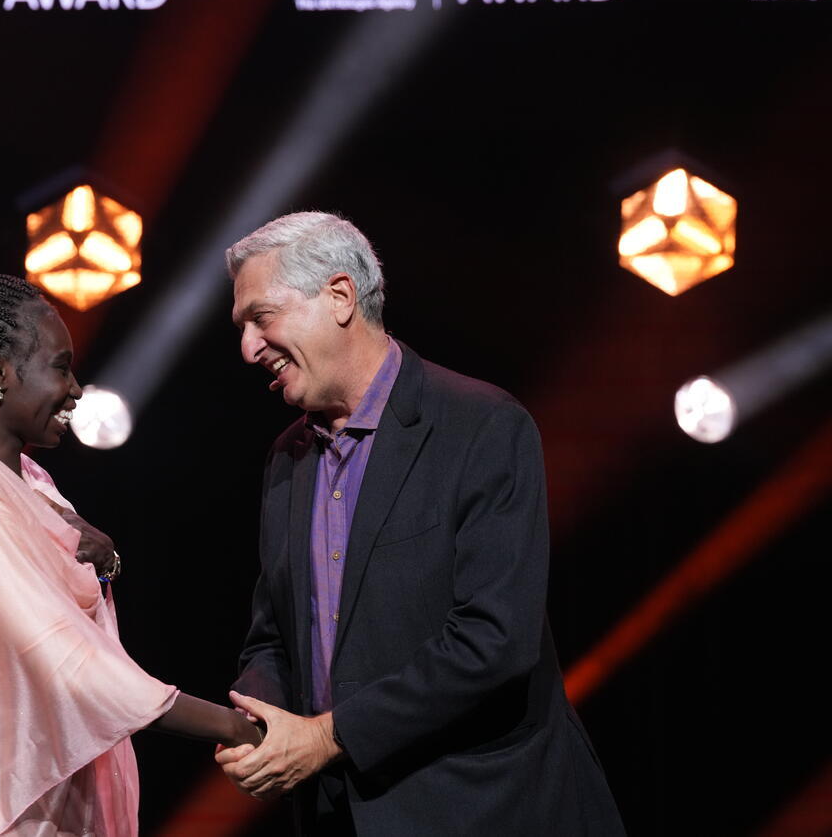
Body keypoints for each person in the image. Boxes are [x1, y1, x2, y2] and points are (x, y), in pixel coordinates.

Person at [214, 213, 625, 835]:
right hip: (340, 816)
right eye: (242, 327)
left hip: (485, 809)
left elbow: (493, 641)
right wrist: (257, 717)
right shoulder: (286, 458)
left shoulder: (482, 425)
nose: (248, 348)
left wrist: (328, 737)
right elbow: (273, 637)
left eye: (260, 317)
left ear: (340, 296)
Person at [0, 273, 260, 837]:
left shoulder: (32, 488)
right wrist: (236, 727)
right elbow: (69, 663)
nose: (76, 389)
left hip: (49, 793)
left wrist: (105, 561)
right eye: (61, 367)